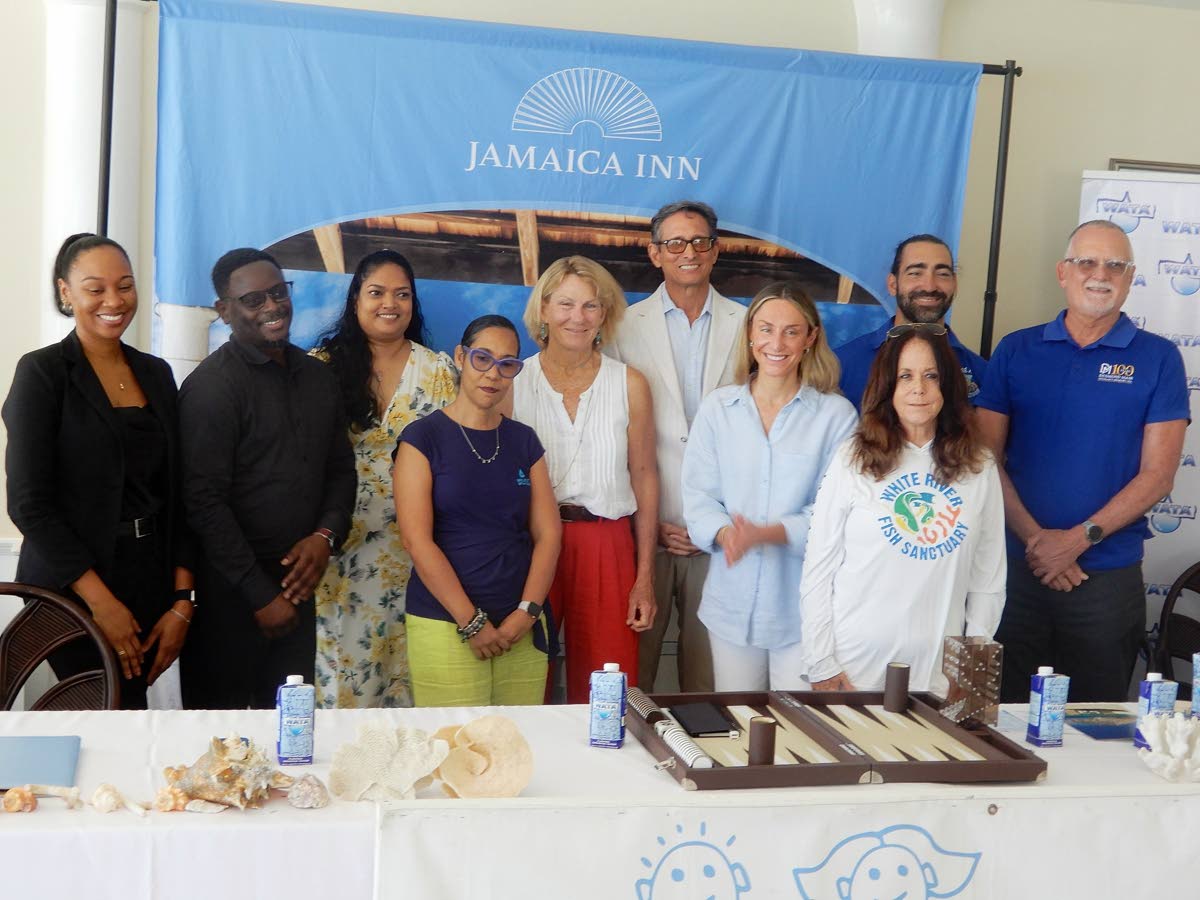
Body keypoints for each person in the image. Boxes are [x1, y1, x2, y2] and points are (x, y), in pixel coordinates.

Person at [975, 220, 1189, 702]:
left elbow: (1158, 476)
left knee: (1097, 724)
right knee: (1002, 717)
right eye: (1087, 262)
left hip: (1105, 577)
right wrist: (1038, 542)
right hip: (1014, 571)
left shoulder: (1158, 359)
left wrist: (1076, 540)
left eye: (1116, 265)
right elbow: (984, 459)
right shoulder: (1016, 349)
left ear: (1131, 277)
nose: (1101, 274)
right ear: (1062, 272)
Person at [3, 233, 195, 708]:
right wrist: (101, 603)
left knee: (130, 713)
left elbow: (179, 493)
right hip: (72, 587)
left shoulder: (156, 373)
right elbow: (29, 504)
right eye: (96, 288)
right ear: (65, 292)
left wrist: (182, 602)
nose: (114, 301)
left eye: (125, 286)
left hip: (149, 579)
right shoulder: (43, 373)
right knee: (99, 712)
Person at [179, 248, 355, 709]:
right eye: (254, 300)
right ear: (225, 310)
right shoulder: (210, 389)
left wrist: (325, 535)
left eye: (278, 292)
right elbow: (202, 503)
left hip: (299, 587)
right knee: (222, 748)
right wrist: (260, 596)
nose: (273, 307)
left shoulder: (318, 379)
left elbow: (340, 470)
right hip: (231, 600)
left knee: (292, 740)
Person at [800, 327, 1006, 695]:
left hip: (941, 677)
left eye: (931, 376)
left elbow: (988, 580)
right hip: (852, 670)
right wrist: (821, 663)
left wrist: (971, 671)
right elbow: (819, 570)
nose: (919, 389)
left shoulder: (979, 466)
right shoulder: (853, 458)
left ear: (948, 385)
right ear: (886, 386)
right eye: (905, 376)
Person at [681, 283, 856, 690]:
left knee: (799, 735)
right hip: (729, 606)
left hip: (802, 612)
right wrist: (727, 533)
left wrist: (768, 534)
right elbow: (699, 496)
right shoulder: (718, 408)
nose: (776, 343)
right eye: (766, 329)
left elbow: (838, 512)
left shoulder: (836, 416)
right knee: (739, 725)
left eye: (791, 331)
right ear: (749, 335)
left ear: (811, 338)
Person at [606, 200, 746, 693]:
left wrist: (717, 520)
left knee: (711, 681)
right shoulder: (620, 327)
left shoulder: (749, 326)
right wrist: (646, 523)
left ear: (715, 250)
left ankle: (707, 766)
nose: (688, 251)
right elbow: (610, 436)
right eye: (674, 243)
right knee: (632, 675)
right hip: (645, 532)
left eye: (699, 241)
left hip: (723, 538)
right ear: (654, 253)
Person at [310, 250, 456, 709]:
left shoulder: (440, 373)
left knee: (413, 684)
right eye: (376, 292)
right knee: (344, 686)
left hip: (420, 555)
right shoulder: (320, 368)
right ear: (356, 299)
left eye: (402, 294)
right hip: (339, 556)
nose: (389, 303)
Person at [511, 256, 658, 703]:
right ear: (543, 310)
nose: (578, 317)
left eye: (591, 306)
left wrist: (645, 575)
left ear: (605, 315)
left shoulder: (629, 383)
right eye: (566, 304)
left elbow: (645, 476)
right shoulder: (513, 381)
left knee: (606, 686)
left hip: (606, 543)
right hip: (530, 544)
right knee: (523, 677)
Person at [395, 315, 561, 706]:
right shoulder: (422, 438)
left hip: (521, 627)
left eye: (507, 364)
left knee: (522, 753)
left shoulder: (523, 440)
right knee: (455, 753)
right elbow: (416, 541)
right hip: (445, 622)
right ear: (460, 356)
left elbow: (549, 534)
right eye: (482, 358)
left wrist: (528, 611)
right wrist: (471, 622)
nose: (493, 374)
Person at [835, 235, 987, 413]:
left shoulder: (983, 373)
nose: (930, 286)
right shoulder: (841, 365)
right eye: (915, 273)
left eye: (942, 274)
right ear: (893, 284)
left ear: (954, 285)